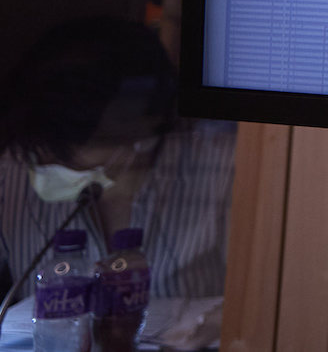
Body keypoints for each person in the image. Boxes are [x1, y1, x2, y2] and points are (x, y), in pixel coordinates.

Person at [0, 19, 234, 311]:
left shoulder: (223, 173)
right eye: (44, 152)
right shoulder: (14, 171)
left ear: (140, 130)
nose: (49, 164)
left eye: (67, 155)